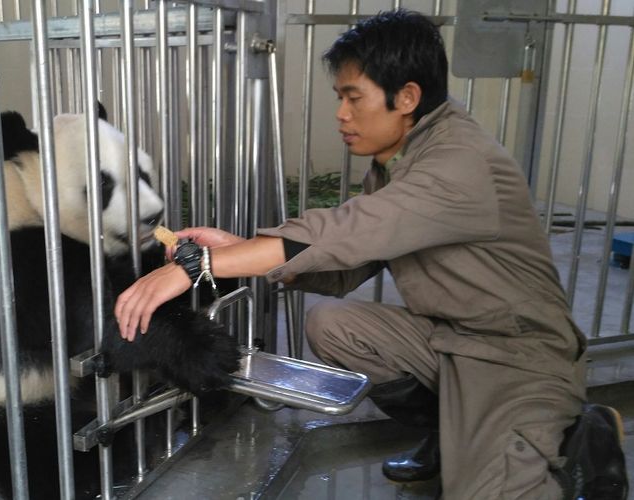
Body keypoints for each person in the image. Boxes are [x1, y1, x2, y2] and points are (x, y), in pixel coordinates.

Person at [115, 9, 628, 500]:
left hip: (516, 356)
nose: (341, 114)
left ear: (406, 97)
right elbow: (350, 259)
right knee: (333, 325)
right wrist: (237, 249)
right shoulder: (402, 158)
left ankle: (578, 432)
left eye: (353, 98)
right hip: (450, 337)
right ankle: (454, 434)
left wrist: (200, 266)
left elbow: (349, 228)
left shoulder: (459, 163)